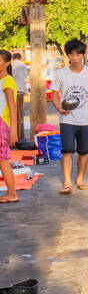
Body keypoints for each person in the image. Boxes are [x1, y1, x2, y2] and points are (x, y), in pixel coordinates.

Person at [49, 38, 88, 195]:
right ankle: (67, 182)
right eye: (71, 54)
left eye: (78, 54)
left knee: (83, 151)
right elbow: (54, 95)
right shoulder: (60, 73)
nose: (75, 58)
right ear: (67, 56)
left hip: (85, 120)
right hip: (67, 120)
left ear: (83, 55)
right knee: (66, 150)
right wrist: (59, 108)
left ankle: (79, 179)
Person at [0, 50, 18, 204]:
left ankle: (12, 193)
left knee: (2, 159)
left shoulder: (7, 81)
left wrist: (13, 129)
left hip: (2, 123)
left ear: (6, 63)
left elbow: (13, 107)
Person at [9, 51, 27, 141]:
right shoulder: (23, 65)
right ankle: (20, 135)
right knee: (20, 110)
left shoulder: (10, 65)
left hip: (11, 89)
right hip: (21, 89)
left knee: (12, 109)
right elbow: (25, 76)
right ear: (20, 57)